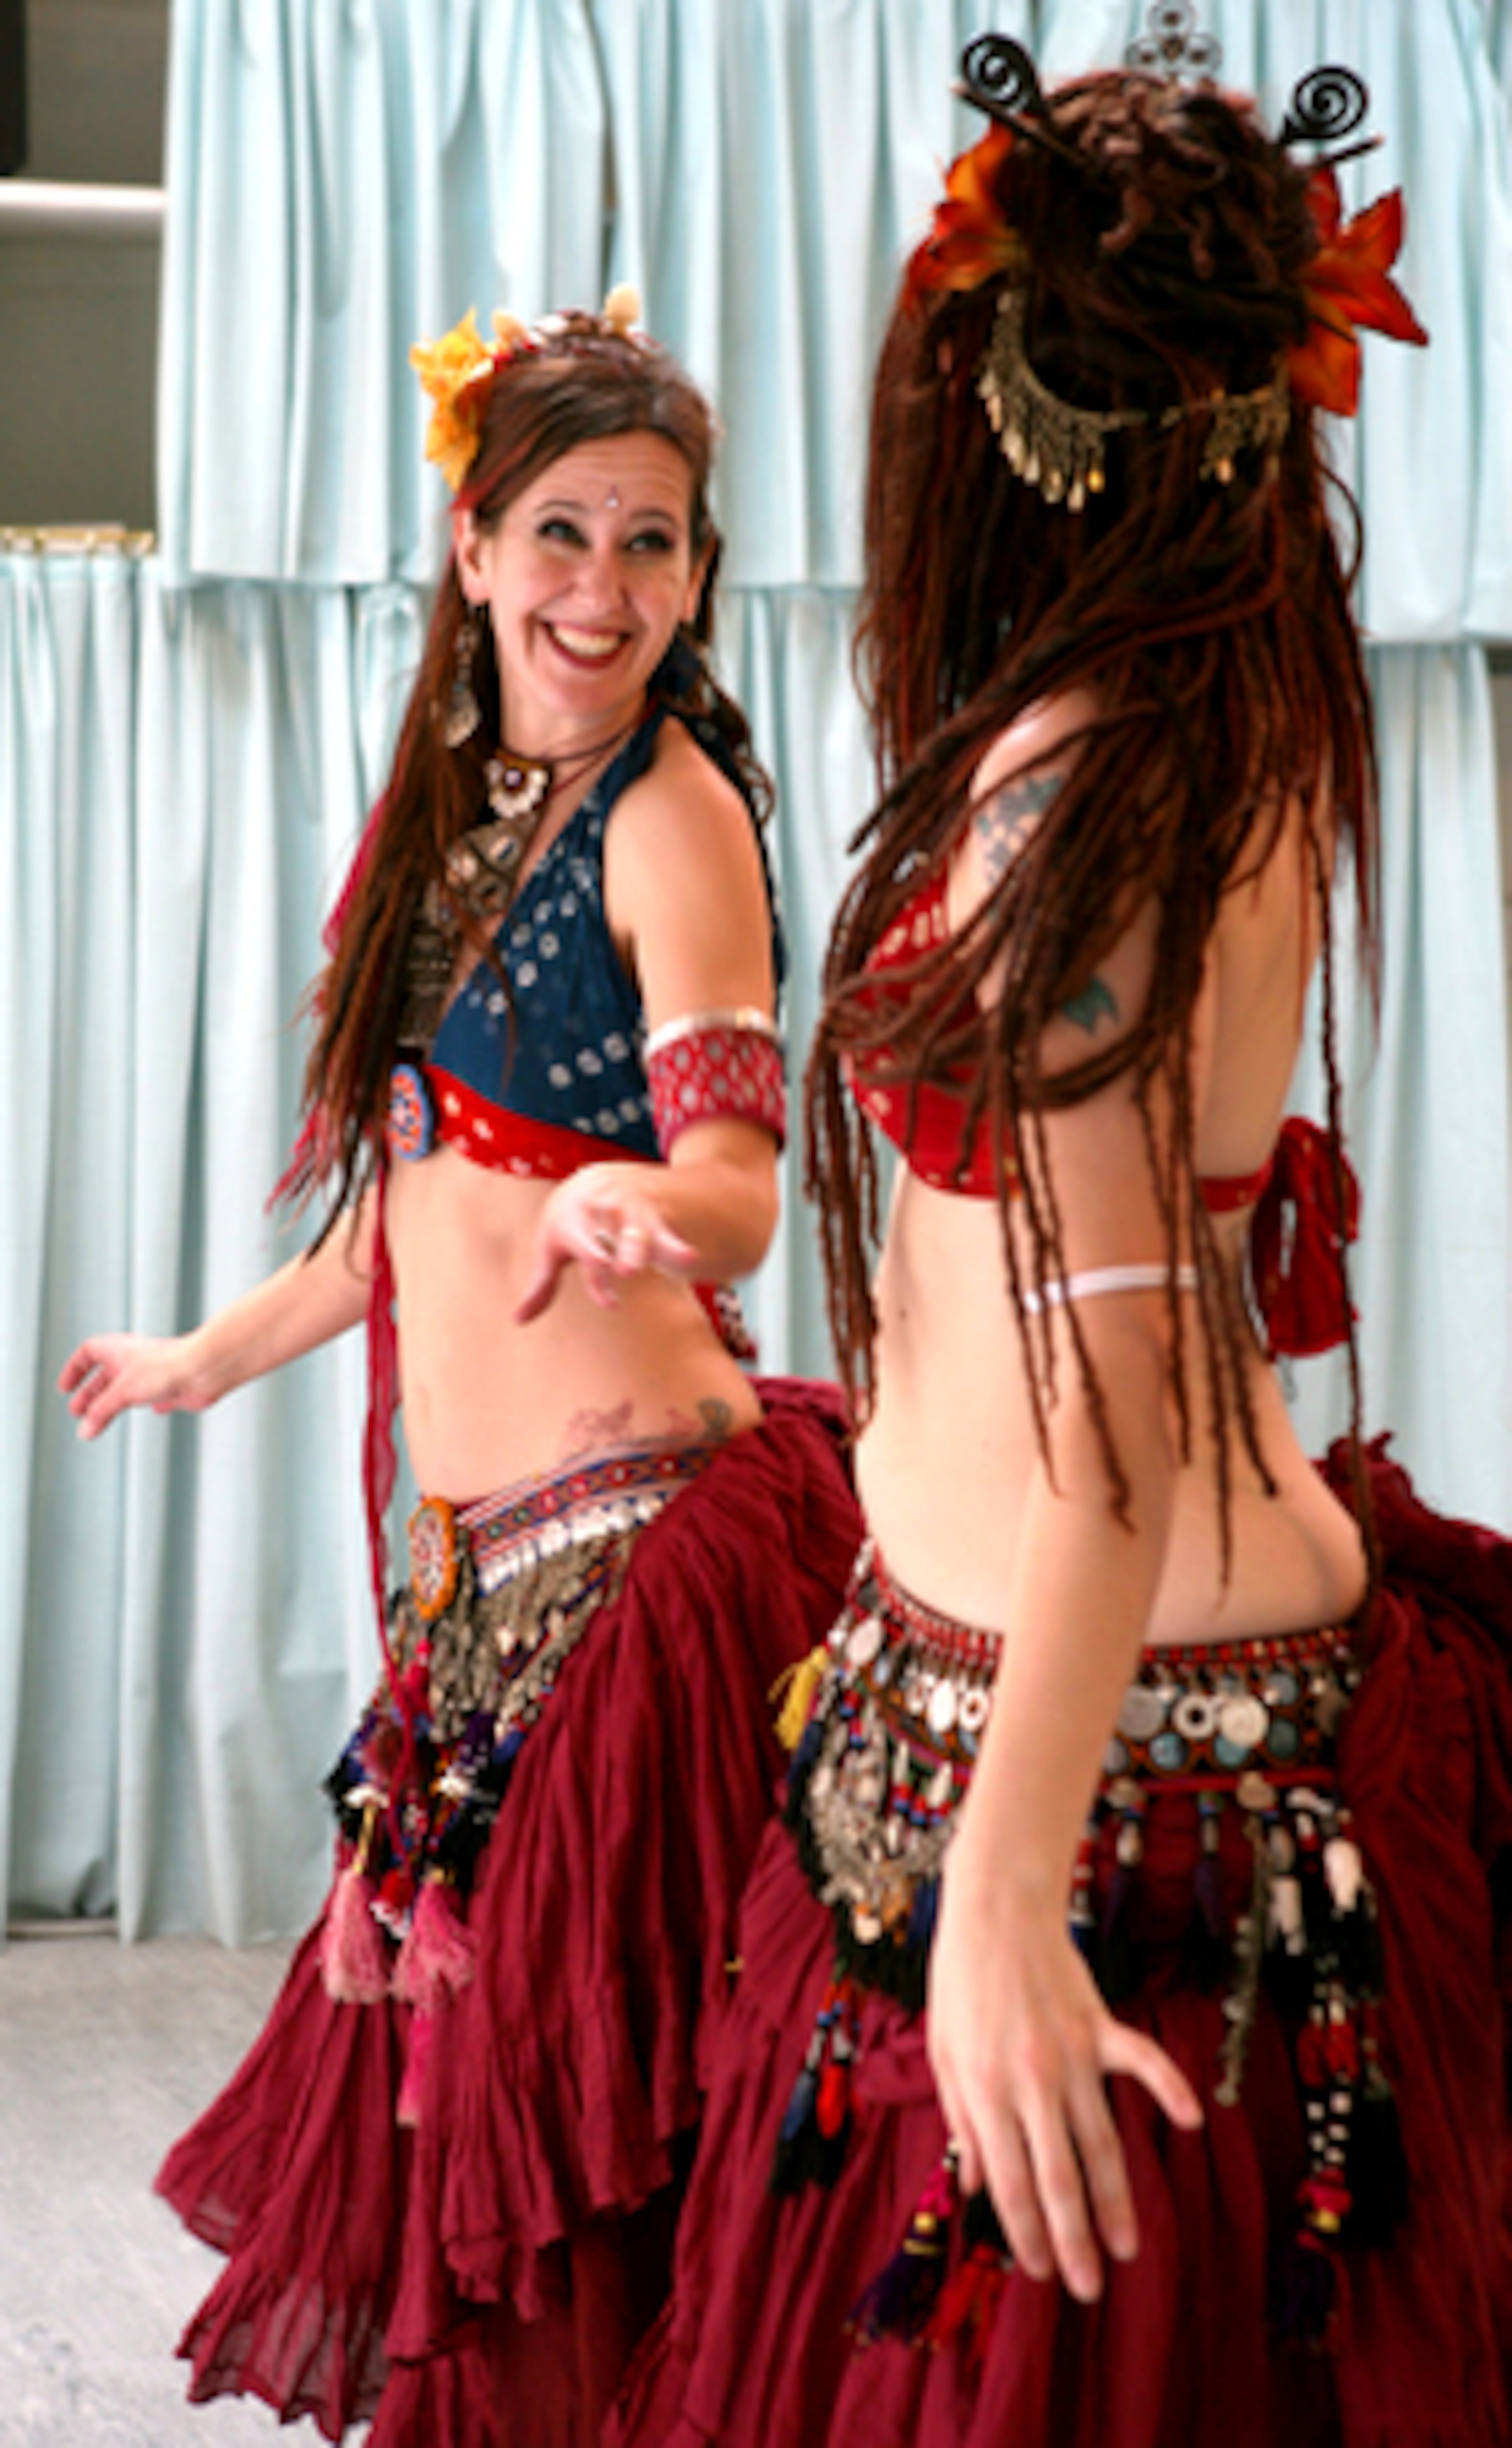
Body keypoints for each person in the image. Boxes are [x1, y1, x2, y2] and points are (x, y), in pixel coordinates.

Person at [608, 35, 1512, 2448]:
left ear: (988, 417)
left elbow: (1106, 1413)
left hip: (1106, 1782)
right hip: (1083, 1710)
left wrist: (1007, 1879)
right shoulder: (1223, 721)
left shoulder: (1083, 786)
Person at [58, 292, 860, 2445]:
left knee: (607, 2125)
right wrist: (201, 1355)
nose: (607, 589)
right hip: (486, 1589)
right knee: (497, 2124)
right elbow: (390, 1218)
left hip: (652, 1570)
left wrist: (647, 1216)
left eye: (658, 543)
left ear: (700, 577)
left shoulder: (670, 817)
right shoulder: (458, 815)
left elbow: (736, 1180)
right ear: (481, 543)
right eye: (570, 533)